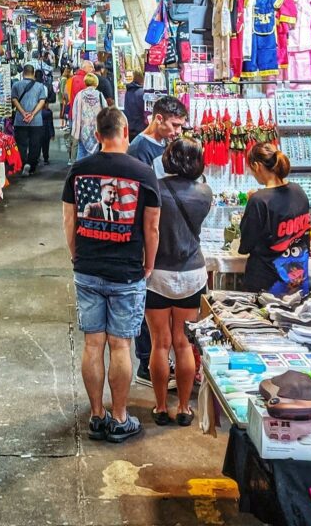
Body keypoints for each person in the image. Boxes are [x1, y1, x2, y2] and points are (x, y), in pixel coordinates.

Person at [62, 106, 160, 443]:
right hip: (127, 272)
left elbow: (68, 220)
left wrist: (77, 253)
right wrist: (148, 263)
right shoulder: (143, 173)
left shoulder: (80, 169)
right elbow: (152, 226)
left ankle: (96, 415)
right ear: (125, 132)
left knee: (93, 344)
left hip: (88, 267)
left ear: (97, 134)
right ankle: (120, 418)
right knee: (121, 346)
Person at [145, 138, 212, 426]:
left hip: (157, 273)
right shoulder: (205, 193)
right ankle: (184, 408)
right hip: (192, 274)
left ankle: (161, 407)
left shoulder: (155, 190)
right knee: (184, 344)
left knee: (159, 344)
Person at [127, 94, 188, 385]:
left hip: (163, 232)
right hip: (145, 234)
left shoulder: (166, 144)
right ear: (158, 119)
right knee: (145, 300)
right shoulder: (139, 149)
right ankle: (145, 364)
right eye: (175, 125)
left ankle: (158, 361)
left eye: (181, 127)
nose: (178, 131)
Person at [240, 142, 311, 296]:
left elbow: (245, 245)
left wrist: (252, 204)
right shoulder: (299, 191)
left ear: (257, 166)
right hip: (297, 278)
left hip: (266, 282)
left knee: (264, 319)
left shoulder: (259, 200)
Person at [11, 64, 47, 176]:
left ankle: (23, 164)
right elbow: (42, 101)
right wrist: (32, 114)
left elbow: (14, 100)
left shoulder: (16, 85)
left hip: (20, 121)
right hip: (36, 121)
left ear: (23, 73)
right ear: (34, 73)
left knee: (21, 144)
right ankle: (31, 167)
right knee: (35, 145)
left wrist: (23, 113)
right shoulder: (40, 86)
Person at [72, 73, 106, 160]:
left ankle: (80, 172)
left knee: (81, 152)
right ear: (96, 83)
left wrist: (75, 129)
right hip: (96, 130)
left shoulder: (80, 95)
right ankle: (91, 172)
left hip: (82, 129)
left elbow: (75, 112)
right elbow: (105, 112)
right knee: (94, 155)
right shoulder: (100, 95)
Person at [35, 69, 57, 166]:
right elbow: (50, 124)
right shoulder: (48, 112)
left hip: (37, 128)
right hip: (46, 132)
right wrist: (52, 134)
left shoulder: (33, 87)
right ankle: (46, 158)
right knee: (45, 146)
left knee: (37, 145)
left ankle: (36, 158)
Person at [123, 70, 148, 138]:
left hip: (130, 126)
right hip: (140, 127)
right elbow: (144, 110)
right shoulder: (141, 92)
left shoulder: (128, 91)